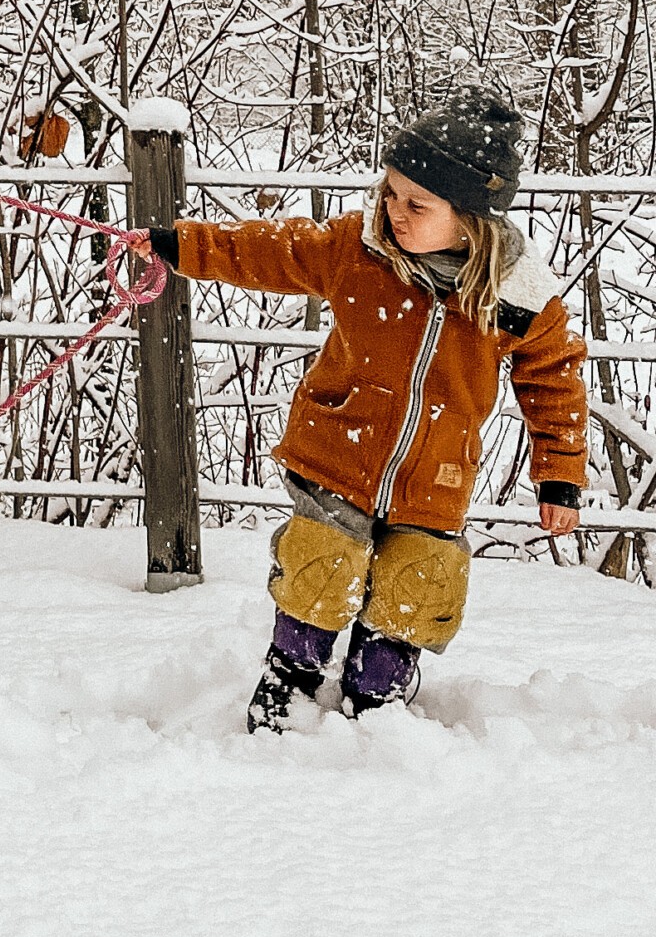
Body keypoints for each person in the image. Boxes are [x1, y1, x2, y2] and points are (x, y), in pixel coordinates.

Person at [130, 90, 588, 730]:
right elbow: (273, 249)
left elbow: (554, 376)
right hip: (336, 449)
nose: (394, 213)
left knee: (417, 586)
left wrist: (559, 472)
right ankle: (288, 681)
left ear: (470, 219)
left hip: (434, 476)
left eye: (417, 204)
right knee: (321, 567)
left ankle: (379, 698)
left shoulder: (514, 293)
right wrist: (181, 245)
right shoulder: (359, 248)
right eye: (390, 193)